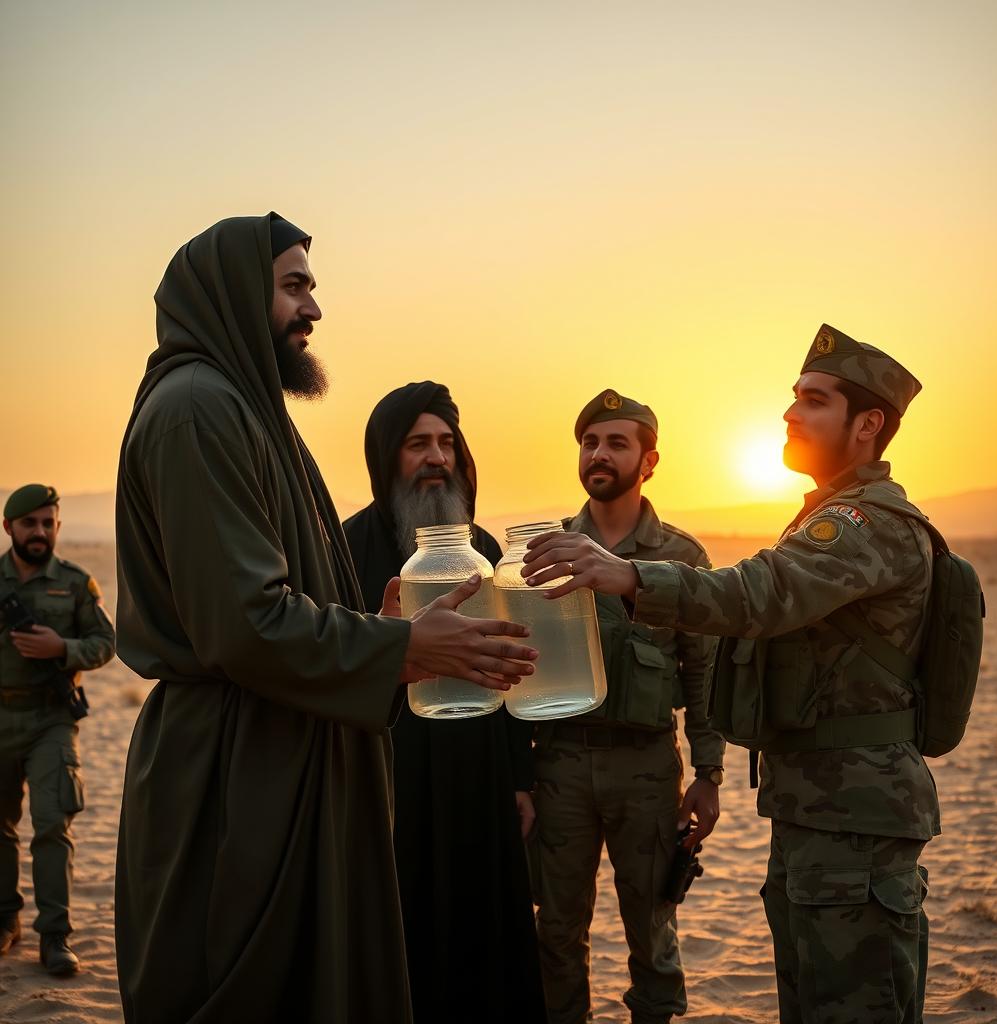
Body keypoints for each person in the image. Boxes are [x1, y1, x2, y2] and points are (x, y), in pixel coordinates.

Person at [113, 213, 536, 1024]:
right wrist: (399, 645)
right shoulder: (200, 409)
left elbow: (274, 601)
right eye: (295, 286)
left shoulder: (243, 410)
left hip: (282, 749)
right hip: (237, 772)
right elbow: (242, 623)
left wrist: (368, 626)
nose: (314, 310)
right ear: (239, 293)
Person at [522, 326, 936, 1024]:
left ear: (868, 425)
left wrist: (626, 575)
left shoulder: (865, 525)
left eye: (813, 400)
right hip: (812, 809)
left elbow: (751, 599)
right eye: (793, 397)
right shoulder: (824, 518)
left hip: (849, 817)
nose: (790, 413)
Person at [344, 381, 547, 1024]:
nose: (436, 458)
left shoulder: (485, 554)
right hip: (384, 773)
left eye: (446, 443)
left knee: (480, 927)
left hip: (476, 771)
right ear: (386, 457)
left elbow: (511, 665)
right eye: (417, 444)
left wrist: (518, 779)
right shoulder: (347, 549)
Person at [530, 391, 723, 1024]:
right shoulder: (547, 550)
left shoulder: (681, 558)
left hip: (646, 768)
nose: (599, 453)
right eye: (589, 442)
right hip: (560, 766)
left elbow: (703, 674)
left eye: (617, 442)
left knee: (652, 925)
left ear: (649, 460)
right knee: (556, 930)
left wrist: (709, 774)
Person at [0, 483, 115, 975]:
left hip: (51, 719)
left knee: (52, 825)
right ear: (9, 528)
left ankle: (55, 936)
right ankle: (6, 920)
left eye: (49, 523)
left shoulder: (75, 583)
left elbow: (107, 642)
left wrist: (62, 650)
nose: (41, 532)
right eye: (31, 523)